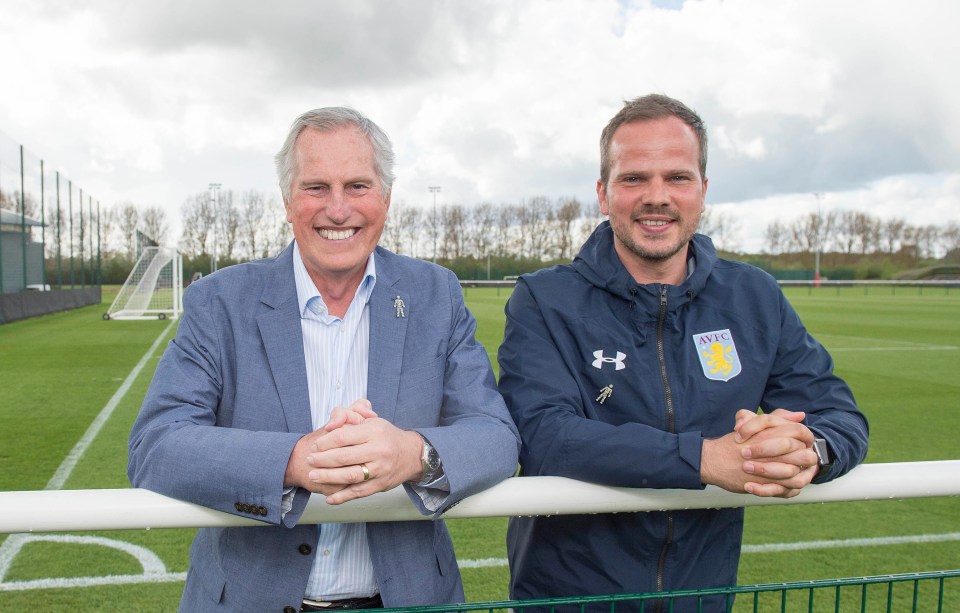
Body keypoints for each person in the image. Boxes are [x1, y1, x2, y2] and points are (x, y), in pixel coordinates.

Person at [128, 106, 520, 612]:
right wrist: (291, 462)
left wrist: (411, 454)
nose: (338, 209)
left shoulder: (434, 295)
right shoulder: (221, 302)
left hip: (410, 599)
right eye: (316, 187)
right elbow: (156, 444)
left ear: (386, 198)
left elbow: (495, 434)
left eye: (357, 186)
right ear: (288, 201)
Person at [498, 94, 869, 611]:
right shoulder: (544, 299)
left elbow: (840, 416)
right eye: (634, 179)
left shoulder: (753, 296)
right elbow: (543, 436)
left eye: (677, 177)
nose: (657, 196)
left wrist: (809, 449)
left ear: (702, 190)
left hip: (703, 598)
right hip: (568, 599)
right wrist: (703, 459)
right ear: (604, 194)